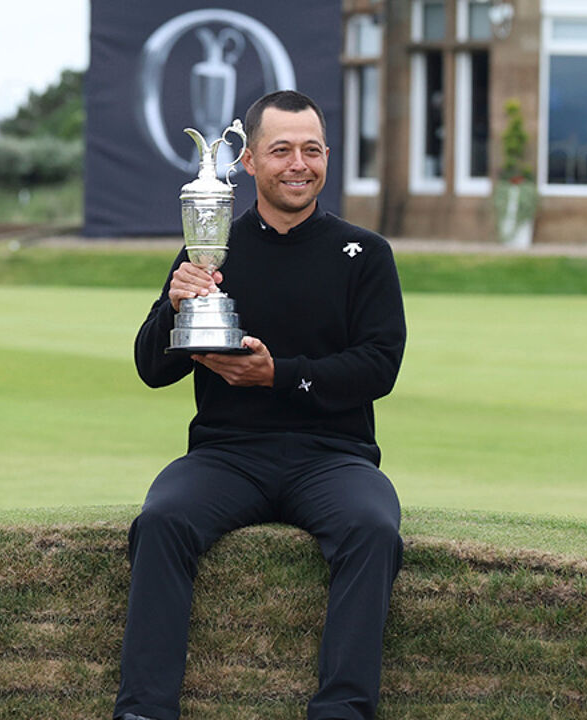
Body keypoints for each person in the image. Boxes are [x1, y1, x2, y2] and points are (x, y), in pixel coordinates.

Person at [115, 90, 406, 720]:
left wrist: (280, 376)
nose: (298, 164)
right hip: (226, 455)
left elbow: (379, 367)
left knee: (374, 528)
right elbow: (149, 367)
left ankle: (342, 710)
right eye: (281, 150)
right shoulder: (210, 246)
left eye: (311, 150)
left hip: (335, 457)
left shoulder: (364, 253)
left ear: (327, 156)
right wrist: (176, 303)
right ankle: (143, 710)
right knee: (162, 519)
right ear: (249, 163)